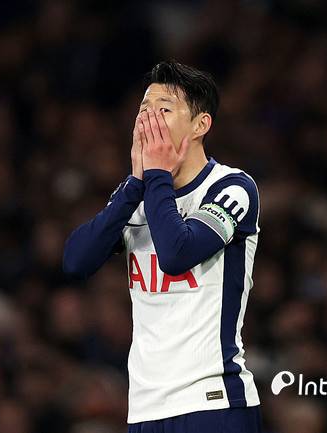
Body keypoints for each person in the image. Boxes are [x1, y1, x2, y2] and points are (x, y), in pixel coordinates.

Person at [63, 60, 262, 433]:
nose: (147, 119)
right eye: (144, 109)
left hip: (213, 402)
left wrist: (154, 175)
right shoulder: (137, 195)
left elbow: (176, 254)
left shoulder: (232, 187)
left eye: (164, 109)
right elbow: (75, 262)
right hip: (145, 409)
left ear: (201, 125)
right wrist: (135, 185)